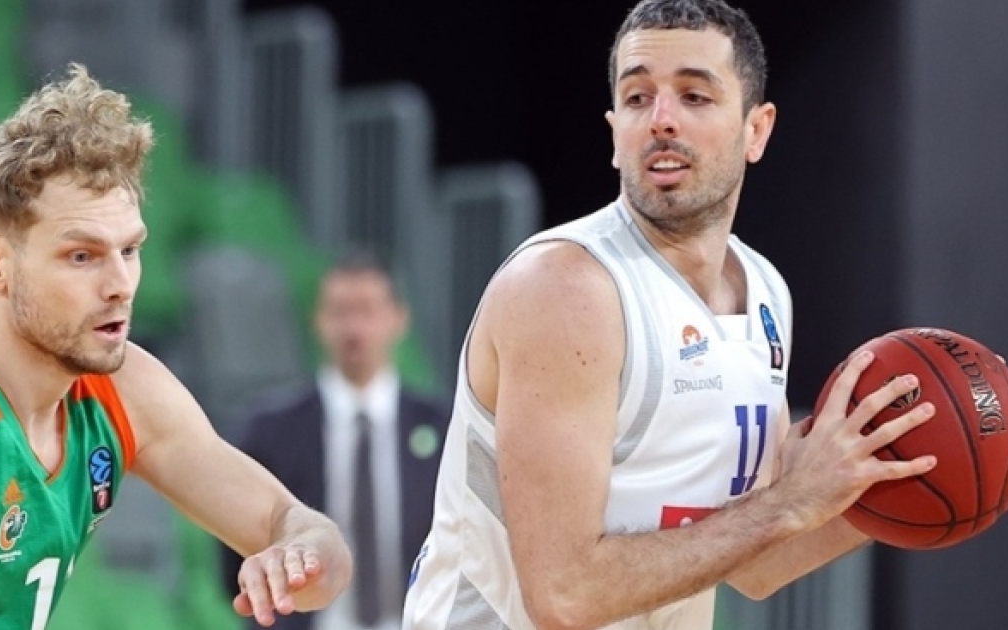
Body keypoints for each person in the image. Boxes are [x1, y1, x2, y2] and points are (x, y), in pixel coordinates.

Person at [401, 1, 938, 629]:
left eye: (694, 96)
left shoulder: (765, 291)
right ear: (614, 132)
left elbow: (755, 565)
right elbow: (565, 594)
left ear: (756, 130)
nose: (660, 119)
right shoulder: (567, 287)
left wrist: (925, 474)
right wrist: (788, 504)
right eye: (637, 98)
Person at [0, 63, 351, 630]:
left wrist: (300, 555)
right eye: (82, 256)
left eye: (129, 251)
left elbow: (295, 529)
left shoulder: (126, 391)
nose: (120, 285)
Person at [224, 250, 450, 630]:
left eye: (367, 310)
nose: (354, 327)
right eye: (341, 311)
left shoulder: (442, 427)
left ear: (399, 318)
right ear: (318, 320)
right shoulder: (269, 429)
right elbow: (236, 550)